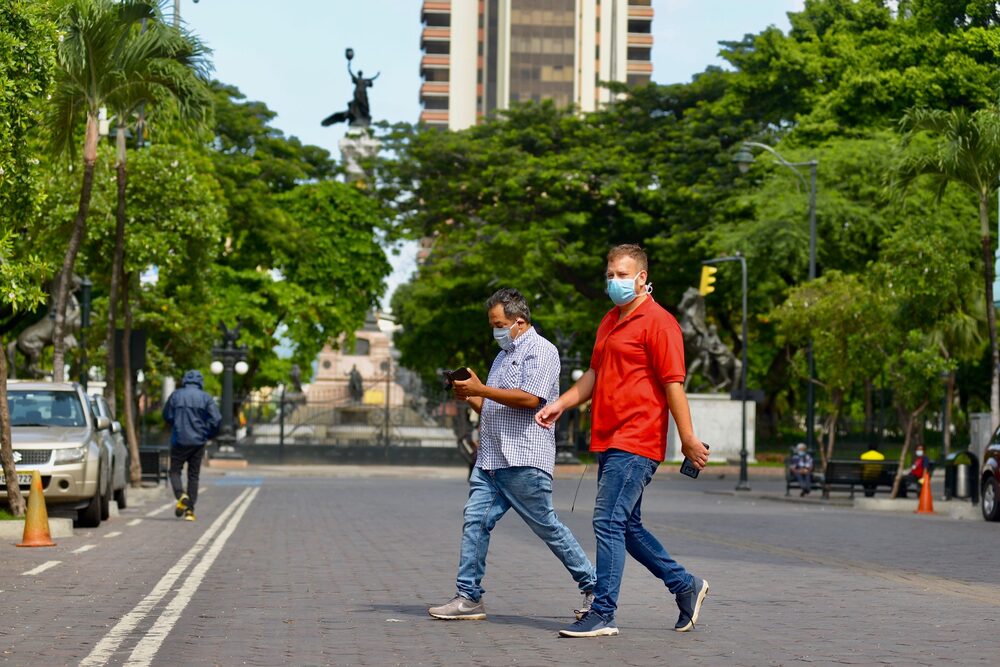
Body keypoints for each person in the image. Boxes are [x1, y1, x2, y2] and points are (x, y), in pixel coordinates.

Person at [536, 244, 711, 638]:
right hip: (609, 438)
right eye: (610, 274)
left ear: (642, 278)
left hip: (638, 438)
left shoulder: (660, 323)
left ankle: (603, 612)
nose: (614, 281)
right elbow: (594, 375)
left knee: (607, 520)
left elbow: (673, 385)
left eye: (622, 275)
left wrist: (687, 438)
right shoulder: (610, 320)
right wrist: (561, 403)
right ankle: (685, 586)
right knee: (626, 526)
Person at [428, 288, 597, 621]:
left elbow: (531, 399)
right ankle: (468, 596)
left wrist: (481, 389)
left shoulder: (542, 350)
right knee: (475, 520)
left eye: (499, 324)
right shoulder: (502, 357)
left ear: (519, 321)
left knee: (547, 527)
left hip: (524, 459)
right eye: (493, 325)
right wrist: (470, 396)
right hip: (491, 460)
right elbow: (493, 406)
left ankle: (596, 587)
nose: (495, 331)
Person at [163, 370, 221, 522]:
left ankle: (181, 495)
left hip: (179, 440)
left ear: (185, 380)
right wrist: (207, 434)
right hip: (198, 442)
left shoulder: (176, 395)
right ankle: (190, 511)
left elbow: (167, 415)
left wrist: (176, 424)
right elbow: (216, 419)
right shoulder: (206, 398)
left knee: (175, 471)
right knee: (193, 475)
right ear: (200, 382)